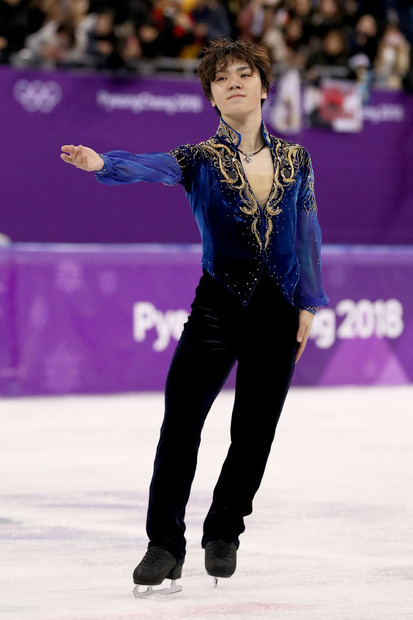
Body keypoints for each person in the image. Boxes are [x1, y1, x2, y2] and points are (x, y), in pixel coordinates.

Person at [60, 38, 328, 594]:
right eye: (221, 77)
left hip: (278, 311)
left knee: (255, 432)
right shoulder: (200, 158)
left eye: (244, 73)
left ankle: (224, 530)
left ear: (263, 84)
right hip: (217, 308)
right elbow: (152, 166)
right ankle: (164, 544)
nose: (234, 81)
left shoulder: (297, 159)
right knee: (181, 424)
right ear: (211, 95)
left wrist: (308, 303)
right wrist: (103, 163)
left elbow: (307, 233)